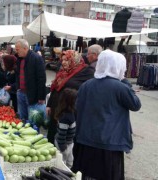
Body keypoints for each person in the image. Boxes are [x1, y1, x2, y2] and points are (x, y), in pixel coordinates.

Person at [72, 50, 141, 180]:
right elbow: (136, 105)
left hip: (86, 140)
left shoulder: (86, 85)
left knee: (85, 174)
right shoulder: (120, 87)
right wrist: (125, 82)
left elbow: (77, 108)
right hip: (109, 143)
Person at [46, 50, 94, 143]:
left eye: (66, 60)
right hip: (56, 107)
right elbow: (55, 89)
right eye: (62, 60)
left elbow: (87, 90)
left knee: (65, 137)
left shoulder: (86, 71)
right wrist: (49, 105)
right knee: (53, 133)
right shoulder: (62, 72)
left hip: (69, 109)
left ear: (74, 60)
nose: (63, 62)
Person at [14, 39, 46, 122]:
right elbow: (17, 74)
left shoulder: (36, 58)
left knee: (33, 120)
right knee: (22, 118)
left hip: (32, 94)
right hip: (21, 93)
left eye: (17, 49)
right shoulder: (19, 59)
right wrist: (18, 87)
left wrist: (41, 96)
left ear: (25, 48)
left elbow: (42, 78)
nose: (16, 51)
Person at [54, 88, 77, 168]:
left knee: (70, 162)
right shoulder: (66, 118)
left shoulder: (70, 112)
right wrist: (64, 150)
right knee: (62, 164)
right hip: (64, 144)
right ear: (71, 102)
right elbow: (61, 136)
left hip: (69, 143)